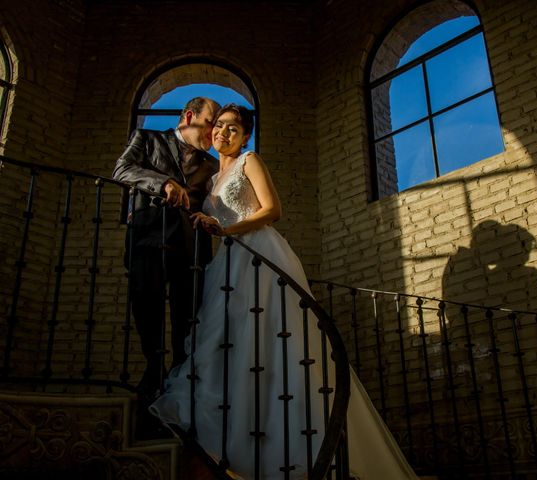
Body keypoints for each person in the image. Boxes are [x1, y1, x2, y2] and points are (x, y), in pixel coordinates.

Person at [150, 104, 421, 479]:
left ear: (245, 136)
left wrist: (225, 229)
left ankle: (307, 447)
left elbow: (272, 210)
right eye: (219, 127)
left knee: (277, 341)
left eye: (233, 128)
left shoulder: (249, 161)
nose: (223, 133)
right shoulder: (212, 178)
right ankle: (246, 436)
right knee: (237, 345)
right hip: (227, 262)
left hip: (258, 252)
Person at [112, 97, 220, 438]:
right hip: (147, 243)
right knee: (147, 318)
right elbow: (122, 170)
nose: (214, 131)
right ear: (188, 117)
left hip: (191, 253)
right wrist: (163, 184)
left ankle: (177, 400)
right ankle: (152, 383)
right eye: (210, 122)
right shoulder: (147, 140)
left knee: (187, 331)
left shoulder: (213, 165)